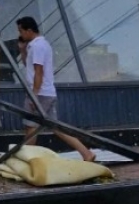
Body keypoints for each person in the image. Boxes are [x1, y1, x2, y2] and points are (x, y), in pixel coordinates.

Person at [16, 16, 96, 162]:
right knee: (55, 127)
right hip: (47, 93)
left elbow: (38, 72)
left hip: (40, 93)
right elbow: (29, 65)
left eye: (21, 31)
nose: (20, 34)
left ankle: (28, 160)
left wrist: (34, 95)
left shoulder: (38, 46)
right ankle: (86, 153)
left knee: (31, 127)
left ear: (29, 30)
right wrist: (22, 50)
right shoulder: (38, 45)